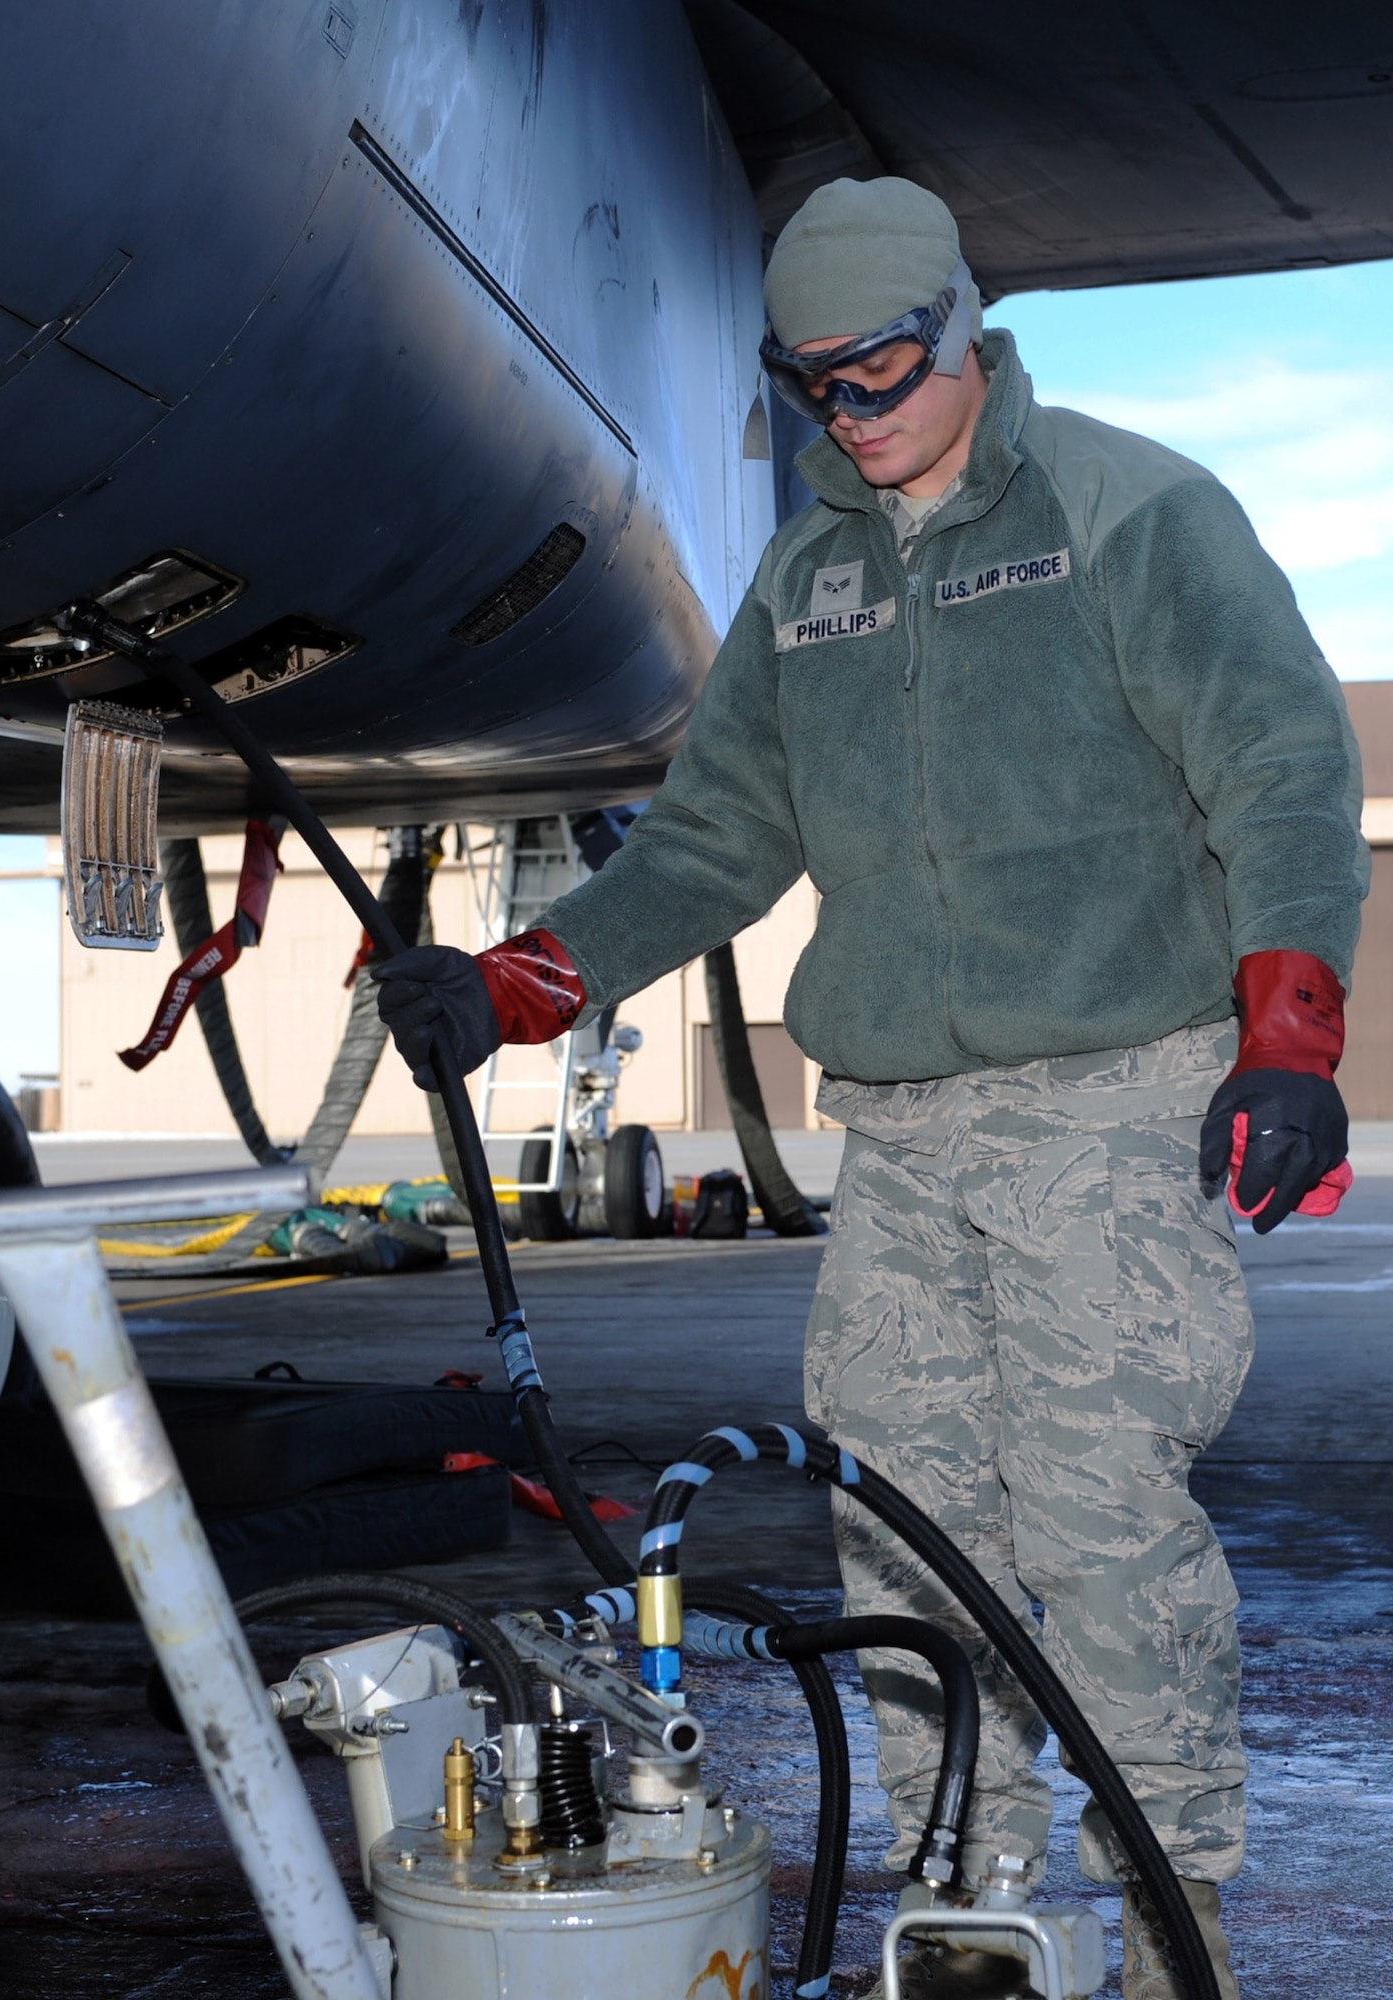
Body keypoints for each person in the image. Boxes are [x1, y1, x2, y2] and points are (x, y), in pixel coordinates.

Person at [374, 178, 1367, 1999]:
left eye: (883, 371)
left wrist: (1292, 1033)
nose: (854, 413)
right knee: (898, 1531)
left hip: (1109, 1108)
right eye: (811, 386)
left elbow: (1284, 766)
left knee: (1105, 1531)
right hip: (902, 1142)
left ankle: (1170, 1918)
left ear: (966, 325)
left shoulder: (1129, 513)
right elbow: (717, 839)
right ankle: (957, 1897)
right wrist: (525, 985)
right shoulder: (809, 579)